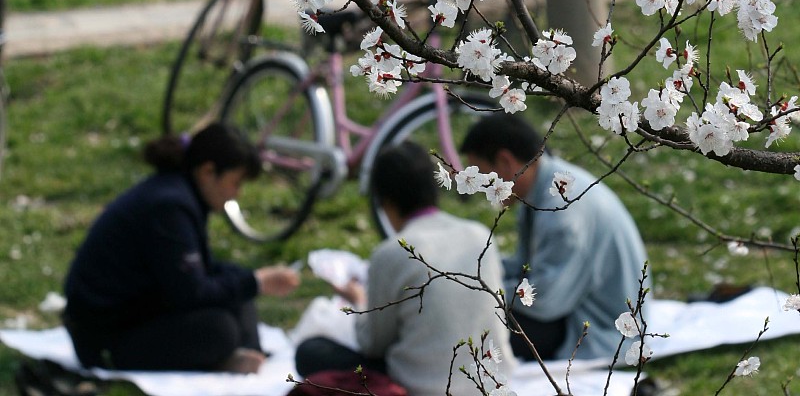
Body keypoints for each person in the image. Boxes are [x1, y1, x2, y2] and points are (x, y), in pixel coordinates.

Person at [63, 123, 300, 373]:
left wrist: (251, 280)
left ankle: (249, 356)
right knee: (221, 328)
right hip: (106, 337)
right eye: (235, 183)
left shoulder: (181, 193)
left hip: (144, 308)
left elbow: (198, 271)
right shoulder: (169, 206)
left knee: (238, 283)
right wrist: (257, 283)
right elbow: (191, 293)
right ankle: (229, 357)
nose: (236, 194)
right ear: (208, 172)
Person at [294, 142, 513, 396]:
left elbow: (372, 344)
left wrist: (358, 300)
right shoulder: (480, 235)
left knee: (311, 353)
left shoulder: (391, 253)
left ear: (385, 202)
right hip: (493, 380)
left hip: (421, 387)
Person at [462, 113, 650, 363]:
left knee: (473, 325)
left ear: (505, 161)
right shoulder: (544, 186)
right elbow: (525, 266)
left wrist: (481, 291)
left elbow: (545, 300)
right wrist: (476, 273)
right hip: (576, 305)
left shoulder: (560, 209)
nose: (482, 189)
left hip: (597, 327)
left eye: (484, 178)